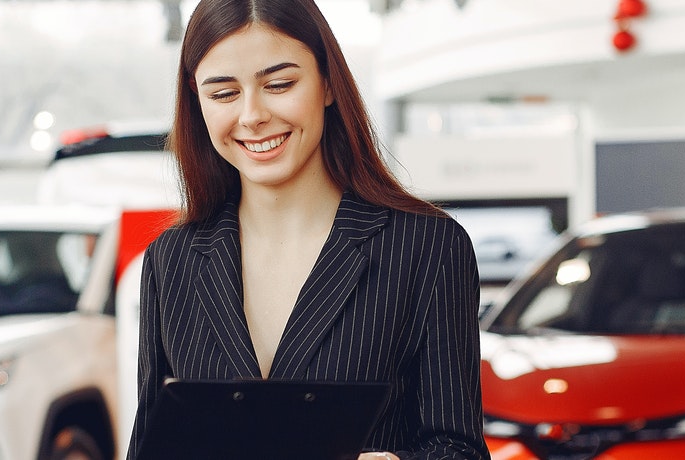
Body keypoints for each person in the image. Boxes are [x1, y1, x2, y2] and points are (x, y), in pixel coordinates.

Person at [128, 0, 489, 459]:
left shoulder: (428, 247)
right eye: (223, 94)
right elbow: (149, 448)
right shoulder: (172, 260)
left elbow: (459, 447)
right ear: (197, 103)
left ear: (328, 84)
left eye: (279, 84)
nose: (252, 115)